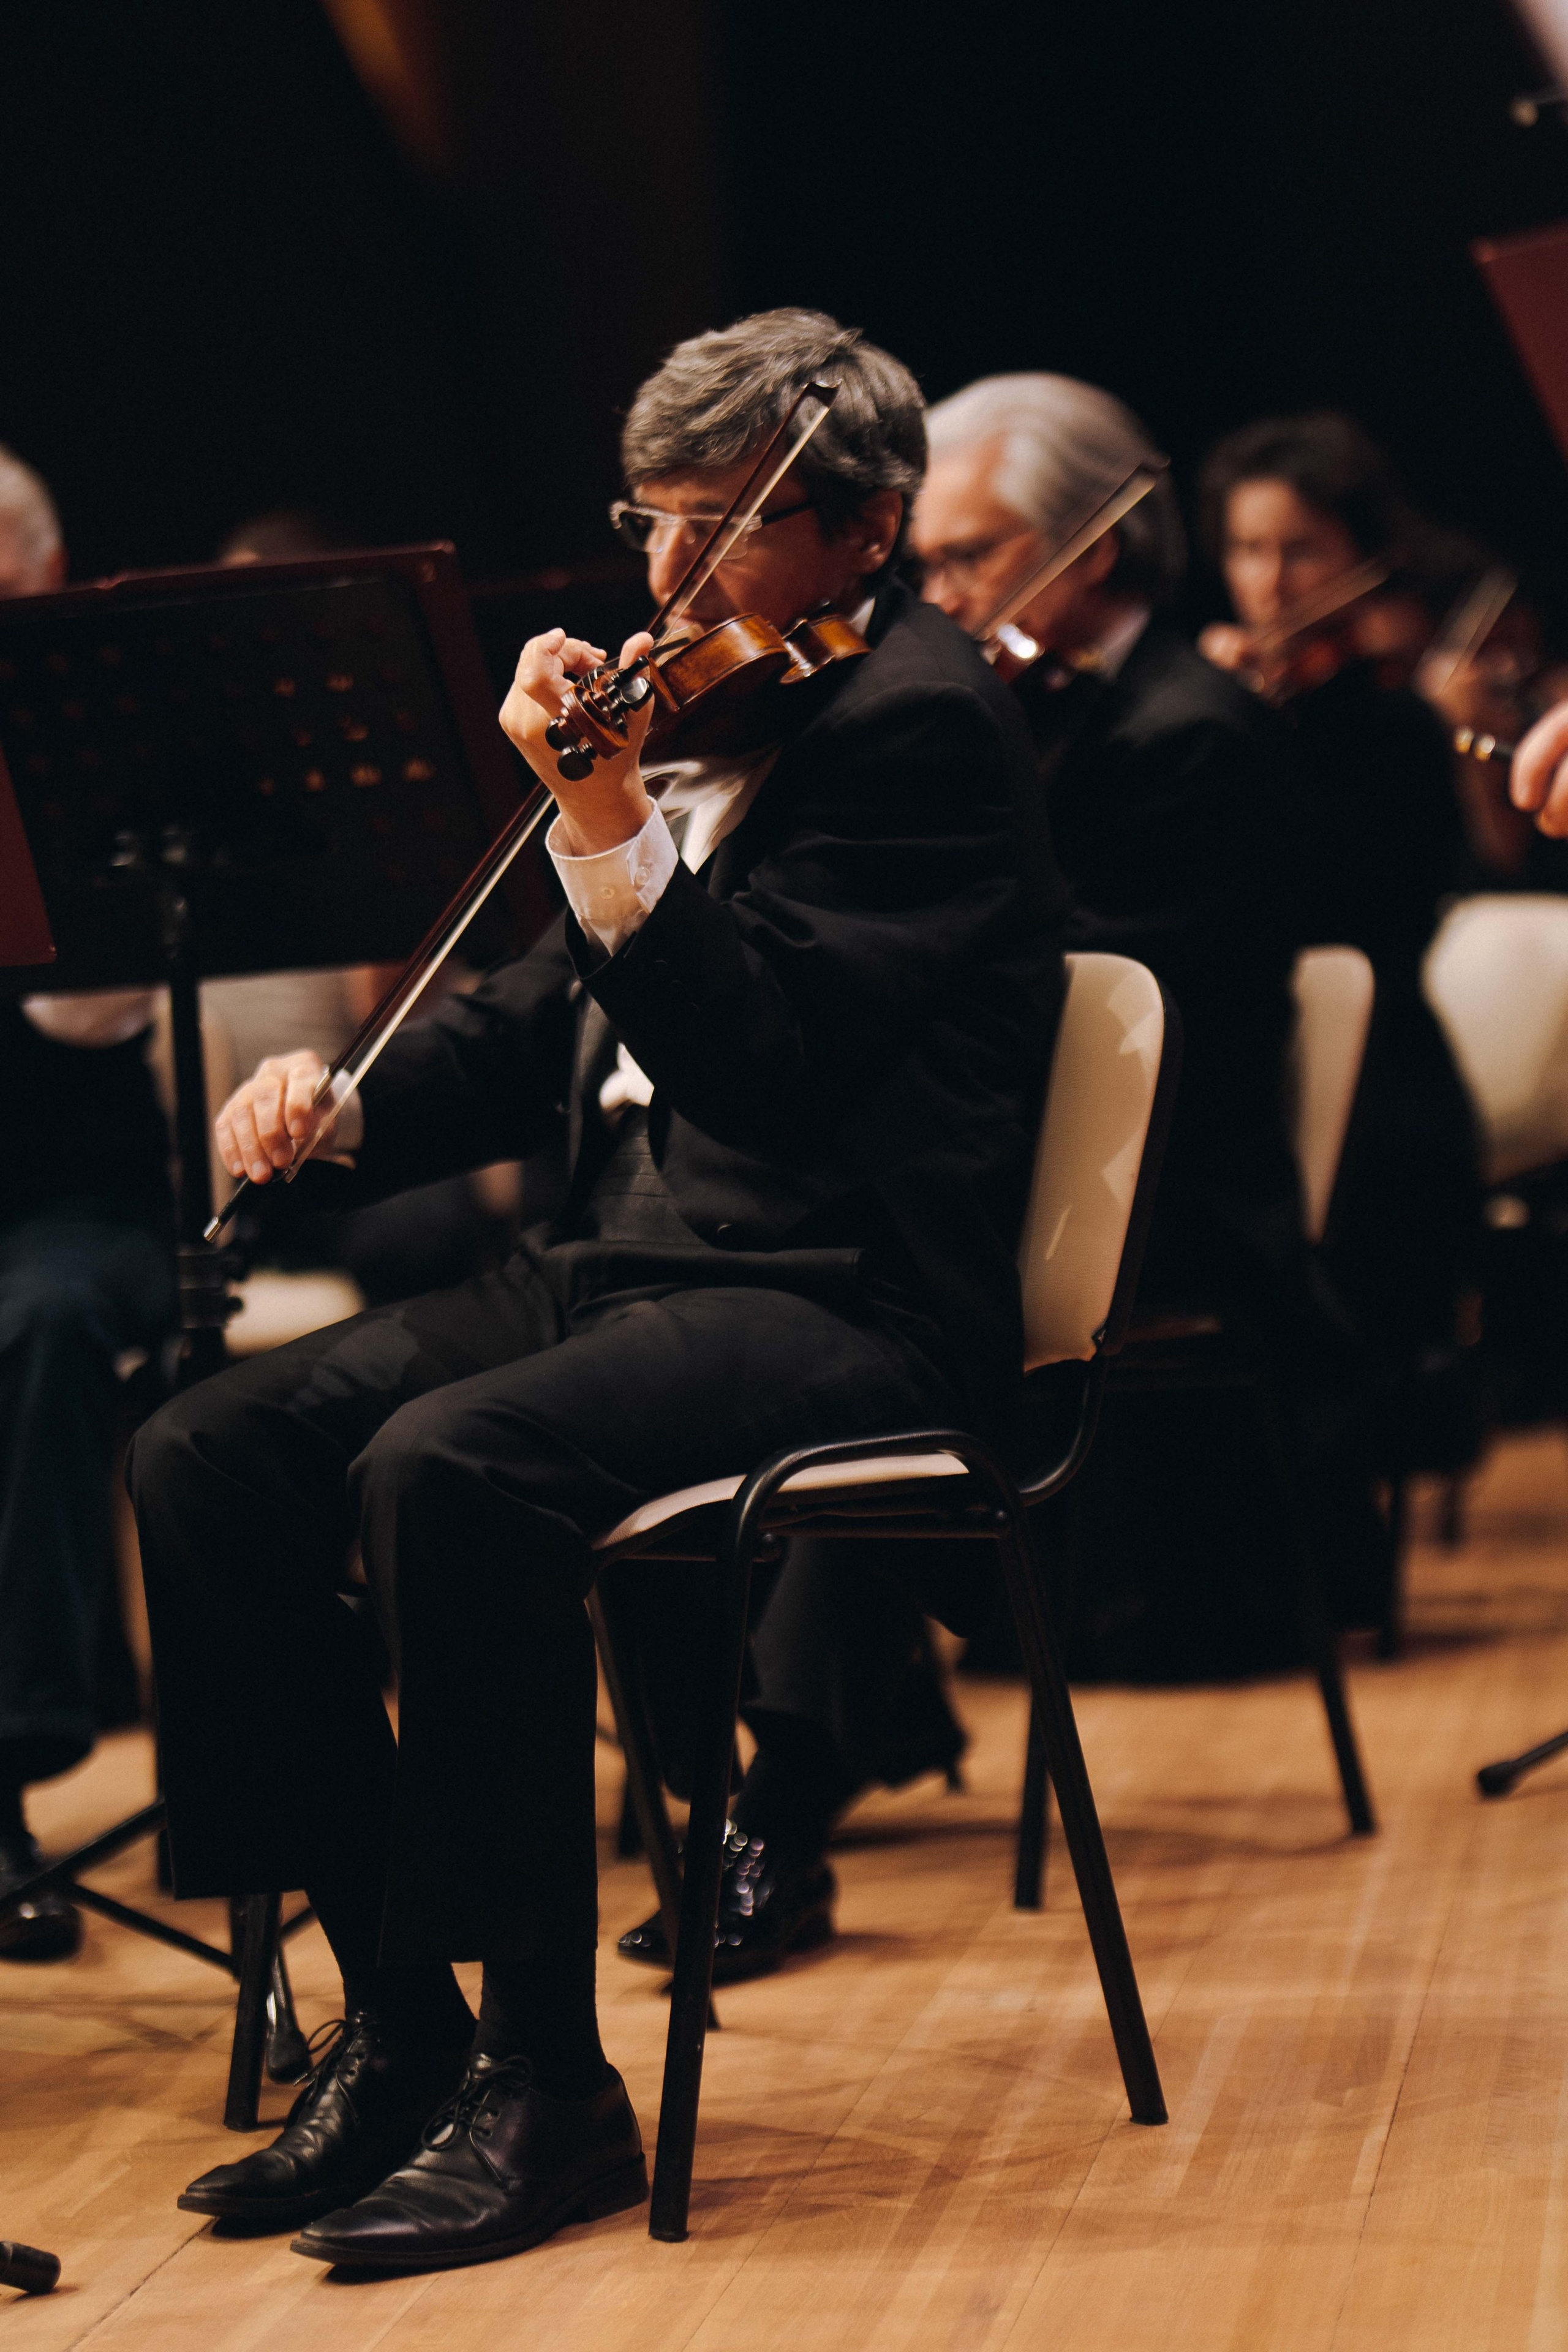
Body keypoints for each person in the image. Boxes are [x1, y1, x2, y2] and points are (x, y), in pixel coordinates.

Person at [127, 307, 1065, 2275]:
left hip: (846, 1292)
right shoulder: (709, 719)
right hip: (631, 1267)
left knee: (453, 1468)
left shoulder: (920, 726)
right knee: (208, 1450)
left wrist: (609, 820)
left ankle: (546, 2076)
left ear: (864, 529)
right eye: (653, 520)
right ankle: (403, 2026)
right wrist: (343, 1108)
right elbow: (543, 1016)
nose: (669, 573)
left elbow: (770, 1072)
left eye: (725, 527)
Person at [1197, 413, 1481, 1426]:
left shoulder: (1397, 723)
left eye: (1300, 550)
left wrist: (1246, 735)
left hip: (1377, 1074)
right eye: (1246, 549)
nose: (1269, 583)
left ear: (1362, 558)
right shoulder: (1209, 710)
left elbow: (1370, 913)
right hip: (1249, 1055)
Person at [0, 447, 175, 1959]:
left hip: (87, 1209)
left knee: (37, 1322)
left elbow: (88, 1015)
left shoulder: (98, 751)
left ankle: (10, 1763)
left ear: (44, 579)